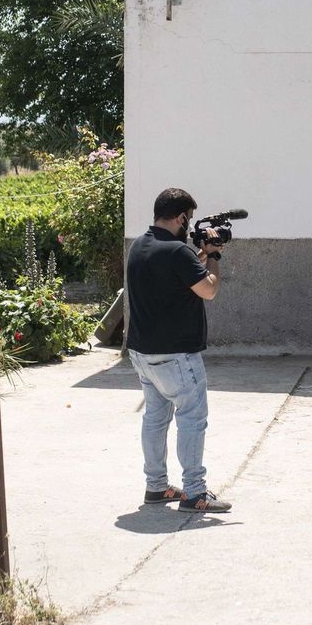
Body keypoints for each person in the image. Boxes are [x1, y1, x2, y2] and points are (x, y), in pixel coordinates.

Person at [126, 187, 232, 513]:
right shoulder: (177, 252)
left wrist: (199, 254)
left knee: (156, 419)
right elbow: (208, 290)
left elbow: (177, 274)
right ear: (180, 217)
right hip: (176, 356)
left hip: (143, 354)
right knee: (192, 418)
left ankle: (156, 487)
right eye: (188, 218)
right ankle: (194, 493)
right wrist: (213, 257)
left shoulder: (140, 246)